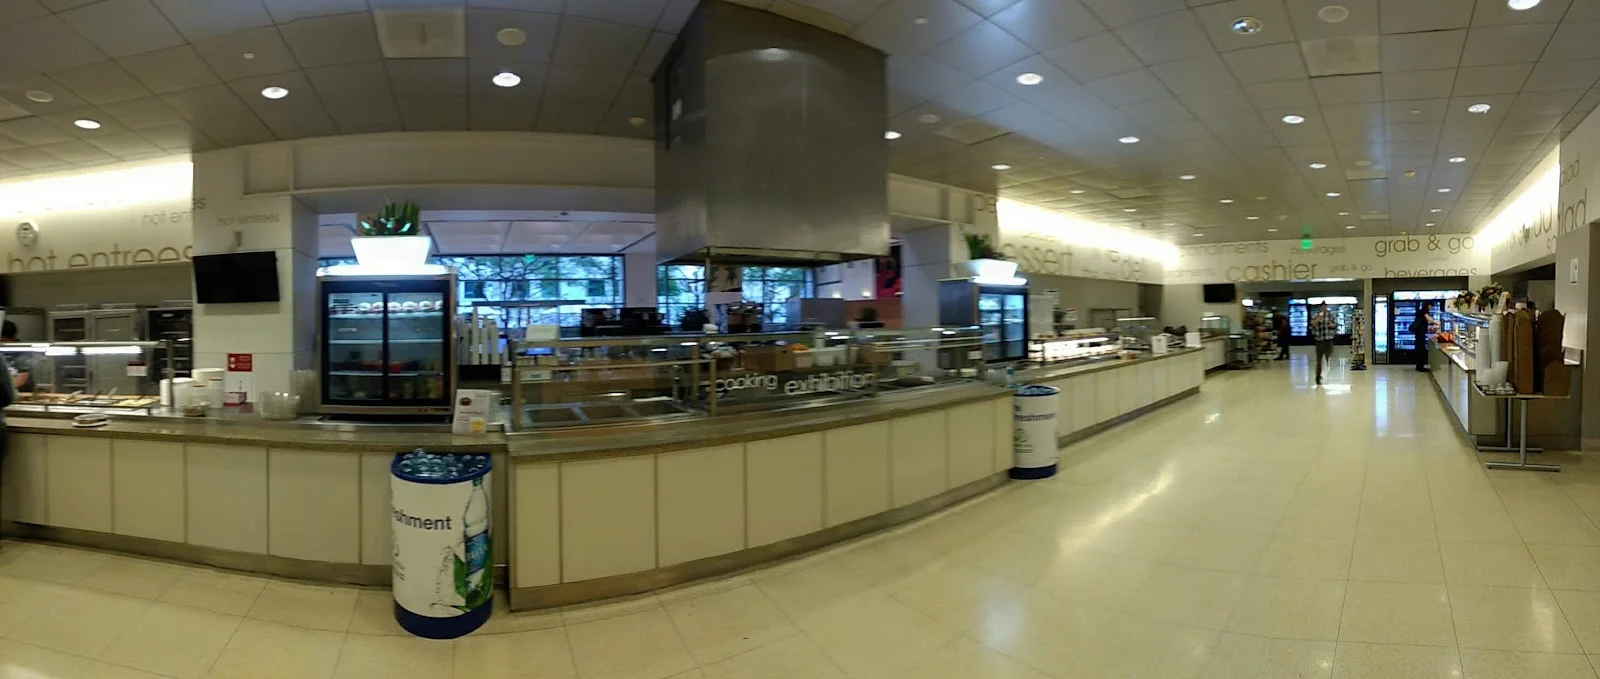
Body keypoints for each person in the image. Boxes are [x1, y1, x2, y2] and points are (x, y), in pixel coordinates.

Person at [1309, 304, 1337, 385]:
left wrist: (1332, 325)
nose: (1323, 308)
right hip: (1319, 340)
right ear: (1320, 307)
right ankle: (1318, 377)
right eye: (1322, 307)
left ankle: (1326, 368)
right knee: (1319, 360)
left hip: (1328, 340)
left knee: (1328, 356)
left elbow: (1335, 324)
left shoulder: (1330, 315)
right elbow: (1312, 324)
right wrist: (1318, 319)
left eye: (1325, 307)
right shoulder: (1315, 315)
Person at [1, 321, 32, 393]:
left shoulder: (22, 352)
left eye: (3, 340)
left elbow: (21, 378)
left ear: (12, 338)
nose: (1, 343)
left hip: (20, 393)